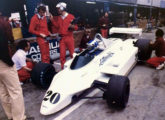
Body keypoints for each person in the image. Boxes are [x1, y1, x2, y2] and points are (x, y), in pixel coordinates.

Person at [0, 14, 26, 120]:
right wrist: (9, 62)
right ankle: (19, 118)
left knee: (3, 90)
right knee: (15, 91)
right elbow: (7, 40)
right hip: (3, 61)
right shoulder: (2, 22)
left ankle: (10, 116)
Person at [51, 2, 78, 69]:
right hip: (61, 39)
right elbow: (57, 26)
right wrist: (52, 20)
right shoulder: (58, 18)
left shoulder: (71, 16)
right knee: (62, 55)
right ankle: (63, 69)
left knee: (72, 54)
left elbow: (76, 27)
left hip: (69, 37)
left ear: (63, 8)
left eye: (59, 8)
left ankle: (74, 67)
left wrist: (72, 26)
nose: (58, 10)